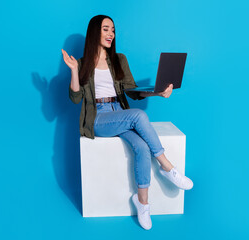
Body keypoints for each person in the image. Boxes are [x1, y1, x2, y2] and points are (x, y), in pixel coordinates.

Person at [61, 15, 193, 230]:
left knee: (141, 146)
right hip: (98, 117)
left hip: (119, 112)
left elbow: (132, 93)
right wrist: (74, 71)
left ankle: (142, 203)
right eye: (106, 29)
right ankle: (167, 167)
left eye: (113, 29)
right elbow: (75, 98)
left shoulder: (119, 59)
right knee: (139, 116)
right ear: (95, 32)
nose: (111, 33)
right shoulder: (83, 63)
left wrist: (158, 93)